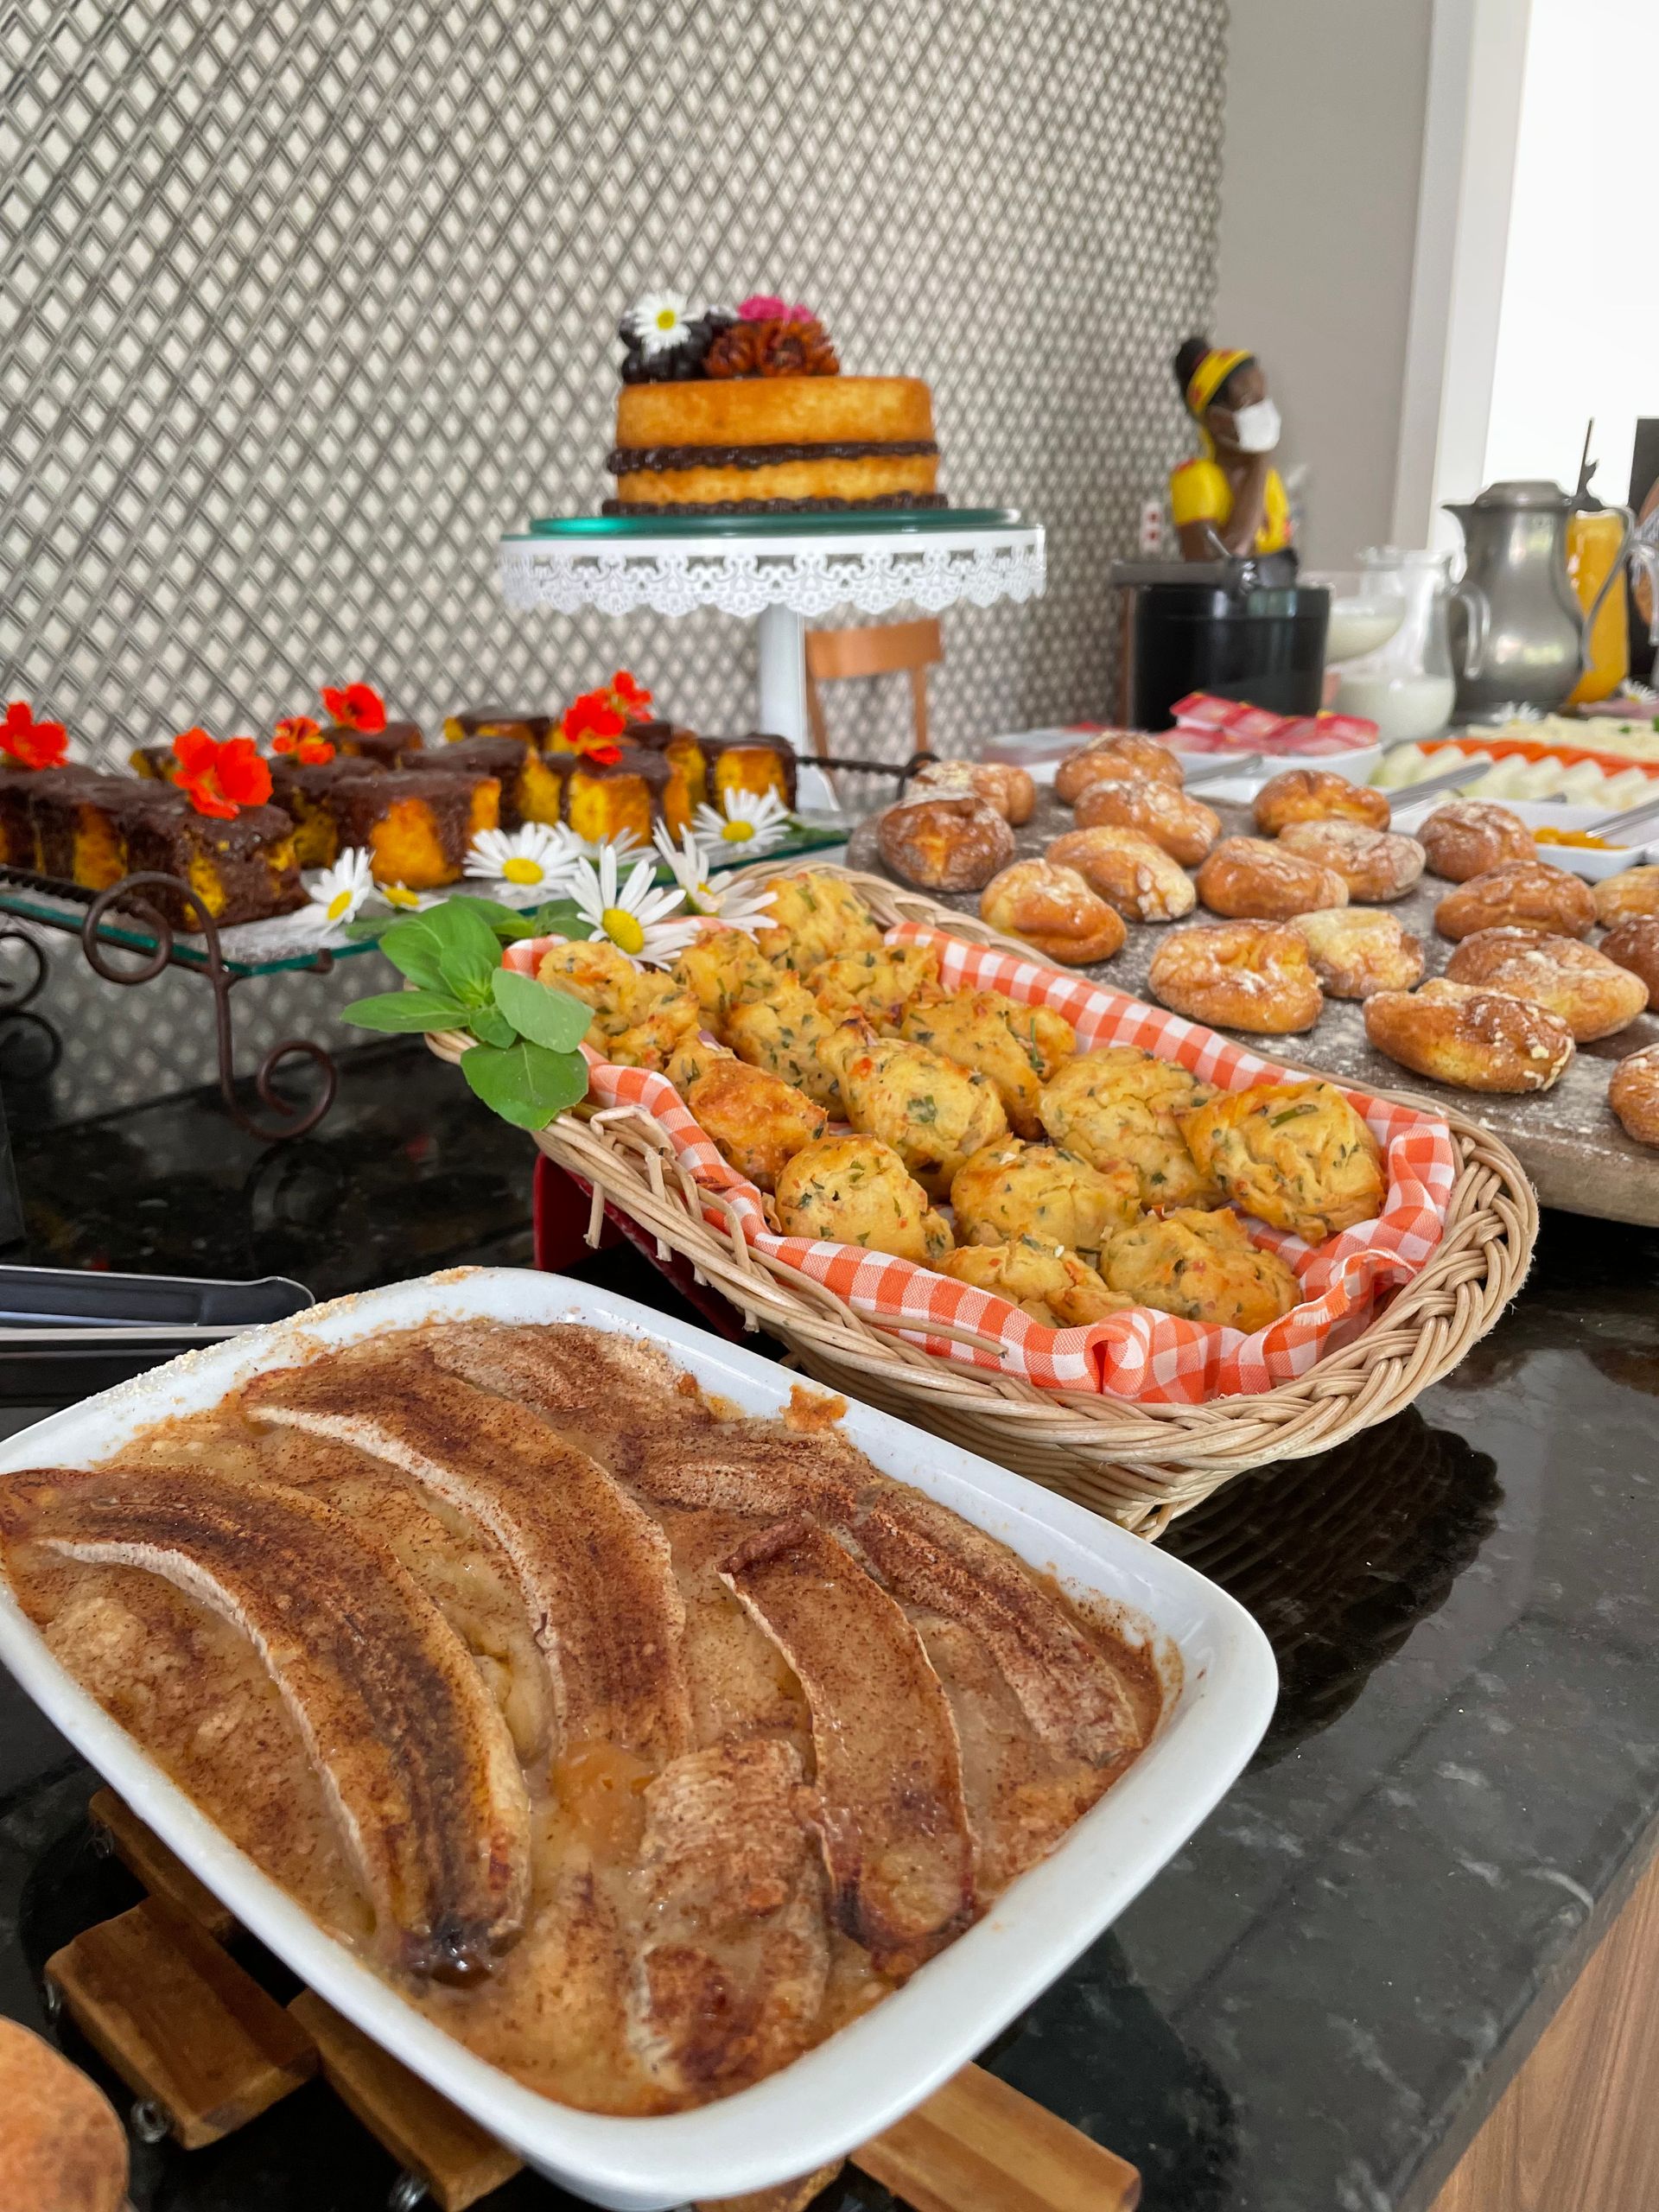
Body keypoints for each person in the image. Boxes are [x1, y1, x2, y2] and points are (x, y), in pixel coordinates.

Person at [1168, 339, 1293, 562]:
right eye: (1250, 401)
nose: (1264, 410)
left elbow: (1284, 561)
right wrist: (1262, 457)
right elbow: (1229, 559)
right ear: (1217, 420)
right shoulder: (1195, 478)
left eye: (1263, 398)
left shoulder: (1269, 480)